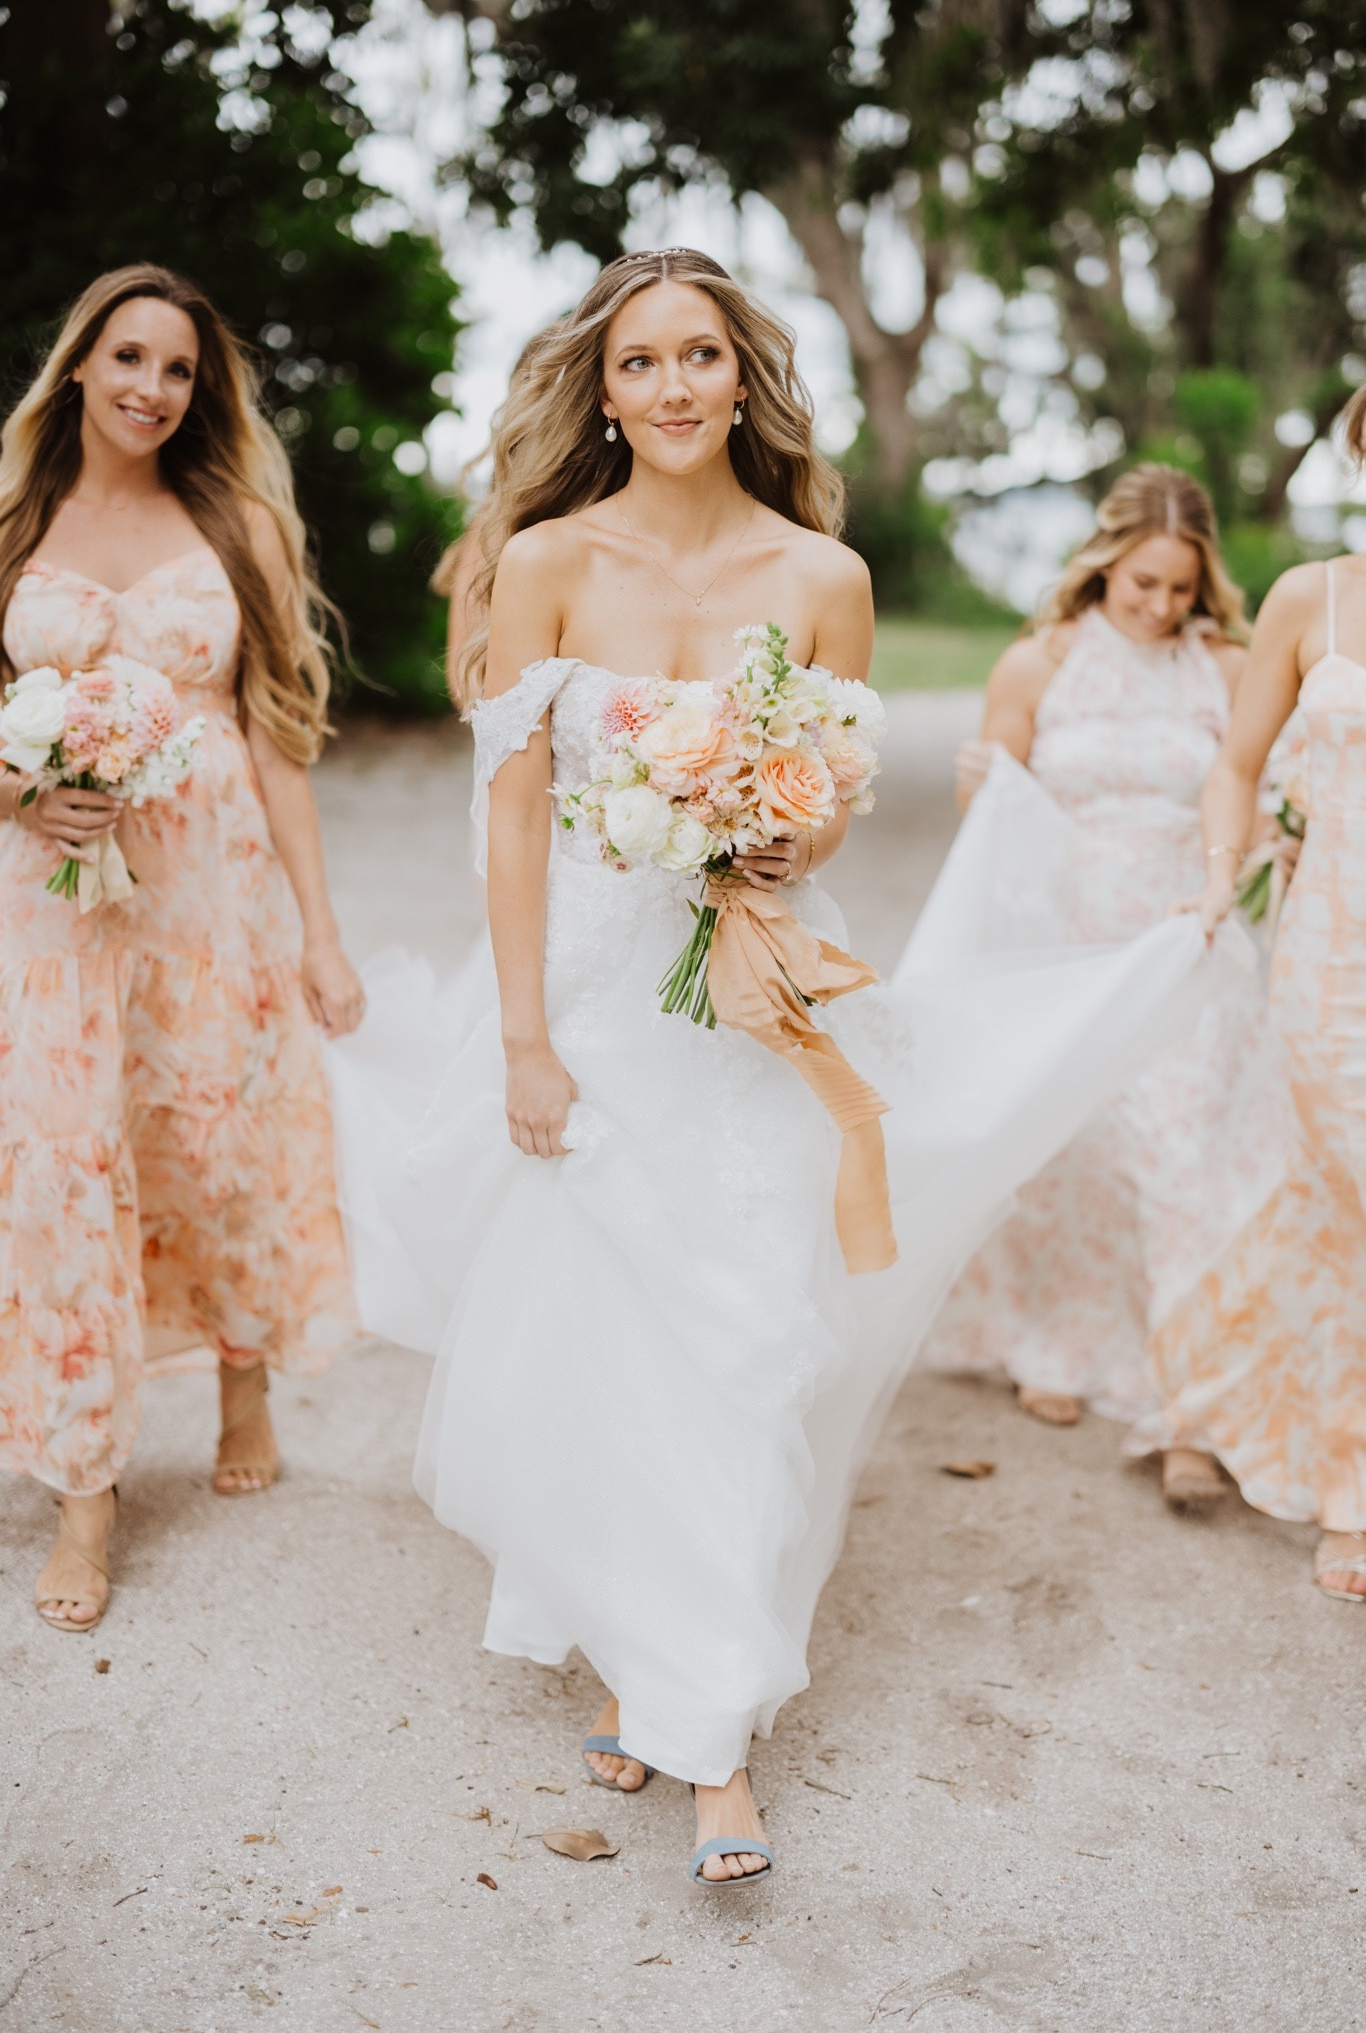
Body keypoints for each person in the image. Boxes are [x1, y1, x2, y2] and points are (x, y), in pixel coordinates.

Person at [326, 250, 1241, 1886]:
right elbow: (516, 817)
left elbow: (829, 801)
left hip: (758, 1004)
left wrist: (769, 824)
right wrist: (528, 1037)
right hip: (601, 1004)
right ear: (601, 394)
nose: (671, 388)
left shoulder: (823, 574)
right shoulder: (540, 563)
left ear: (741, 379)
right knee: (604, 1334)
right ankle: (631, 1640)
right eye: (639, 365)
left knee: (746, 1338)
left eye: (699, 357)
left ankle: (713, 1719)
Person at [0, 264, 364, 1632]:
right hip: (52, 900)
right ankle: (85, 1487)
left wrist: (321, 935)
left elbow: (277, 733)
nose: (153, 389)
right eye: (129, 359)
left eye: (179, 371)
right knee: (65, 1157)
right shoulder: (14, 517)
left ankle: (243, 1364)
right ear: (78, 364)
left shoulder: (236, 525)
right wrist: (19, 785)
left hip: (208, 894)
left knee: (212, 1137)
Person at [930, 467, 1289, 1501]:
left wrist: (1243, 873)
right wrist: (979, 792)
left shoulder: (1221, 667)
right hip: (1067, 937)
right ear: (1103, 563)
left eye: (1179, 588)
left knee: (1182, 1155)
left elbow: (1254, 797)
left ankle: (1188, 1406)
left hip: (1182, 940)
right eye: (1142, 583)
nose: (1159, 606)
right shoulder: (1038, 664)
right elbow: (994, 817)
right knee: (1067, 1147)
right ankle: (1057, 1339)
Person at [1150, 385, 1366, 1596]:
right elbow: (1235, 766)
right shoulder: (1310, 597)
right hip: (1332, 960)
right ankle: (1351, 1483)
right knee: (1350, 1198)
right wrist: (1222, 877)